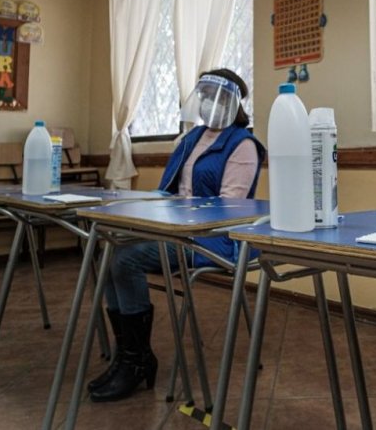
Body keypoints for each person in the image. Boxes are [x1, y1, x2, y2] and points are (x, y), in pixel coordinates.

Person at [89, 68, 266, 402]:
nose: (205, 104)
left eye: (213, 98)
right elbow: (170, 190)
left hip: (211, 239)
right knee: (108, 252)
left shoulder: (243, 144)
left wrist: (177, 214)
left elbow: (229, 209)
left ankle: (136, 362)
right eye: (203, 97)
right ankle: (130, 353)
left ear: (229, 103)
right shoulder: (192, 138)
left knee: (125, 260)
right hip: (176, 231)